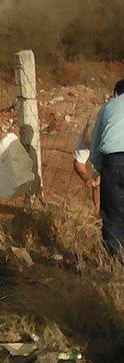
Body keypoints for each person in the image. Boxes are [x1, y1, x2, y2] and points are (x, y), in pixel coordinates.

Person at [90, 79, 124, 256]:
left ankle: (115, 265)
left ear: (116, 94)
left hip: (113, 161)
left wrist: (102, 170)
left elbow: (94, 150)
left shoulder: (107, 107)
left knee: (112, 218)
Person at [73, 115, 100, 212]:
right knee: (98, 180)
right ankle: (99, 214)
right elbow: (79, 163)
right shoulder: (87, 136)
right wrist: (87, 179)